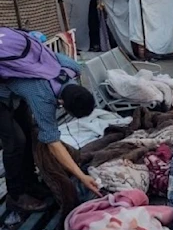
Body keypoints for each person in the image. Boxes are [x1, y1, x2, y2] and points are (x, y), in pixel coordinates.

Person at [0, 27, 100, 213]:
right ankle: (16, 196)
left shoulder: (72, 68)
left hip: (12, 83)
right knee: (15, 141)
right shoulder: (43, 97)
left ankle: (30, 183)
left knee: (29, 133)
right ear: (61, 102)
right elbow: (52, 141)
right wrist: (82, 177)